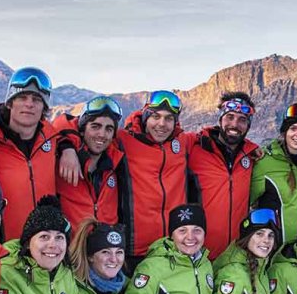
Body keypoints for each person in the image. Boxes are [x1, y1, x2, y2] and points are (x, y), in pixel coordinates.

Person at [0, 66, 61, 240]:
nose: (29, 104)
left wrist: (68, 149)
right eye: (22, 97)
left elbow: (71, 132)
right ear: (10, 102)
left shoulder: (52, 138)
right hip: (3, 246)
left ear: (44, 107)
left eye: (37, 99)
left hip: (43, 245)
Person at [113, 90, 192, 271]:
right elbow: (82, 129)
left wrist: (251, 151)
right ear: (145, 116)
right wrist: (68, 147)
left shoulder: (183, 143)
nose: (162, 124)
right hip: (134, 251)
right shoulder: (123, 140)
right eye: (156, 116)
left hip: (172, 249)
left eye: (169, 118)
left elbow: (216, 140)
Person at [187, 92, 262, 259]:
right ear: (220, 119)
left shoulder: (251, 155)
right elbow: (163, 140)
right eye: (230, 117)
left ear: (248, 125)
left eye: (242, 120)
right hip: (198, 253)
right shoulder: (194, 147)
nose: (235, 124)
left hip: (235, 254)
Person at [251, 101, 297, 246]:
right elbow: (246, 201)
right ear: (284, 132)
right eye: (293, 128)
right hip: (280, 248)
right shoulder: (264, 162)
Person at [55, 95, 126, 226]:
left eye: (109, 129)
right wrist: (66, 148)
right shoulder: (60, 161)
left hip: (108, 244)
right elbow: (58, 124)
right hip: (71, 244)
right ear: (82, 130)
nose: (102, 134)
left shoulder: (117, 164)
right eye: (95, 126)